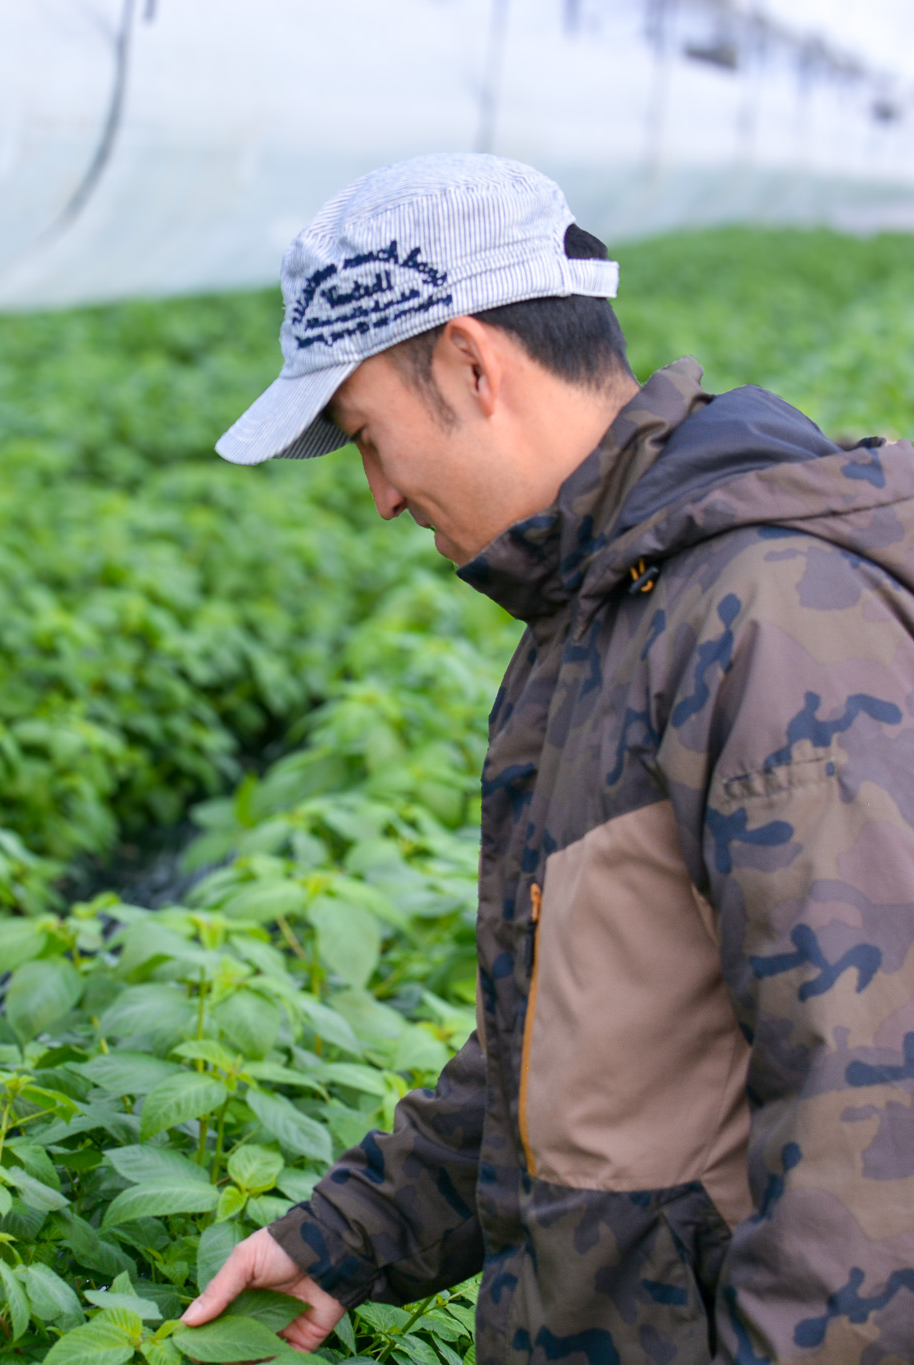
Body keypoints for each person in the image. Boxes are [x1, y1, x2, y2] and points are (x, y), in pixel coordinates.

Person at [182, 154, 914, 1361]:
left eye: (367, 434)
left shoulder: (767, 619)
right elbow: (581, 1040)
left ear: (471, 366)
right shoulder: (600, 610)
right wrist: (349, 1232)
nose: (376, 496)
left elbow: (874, 1125)